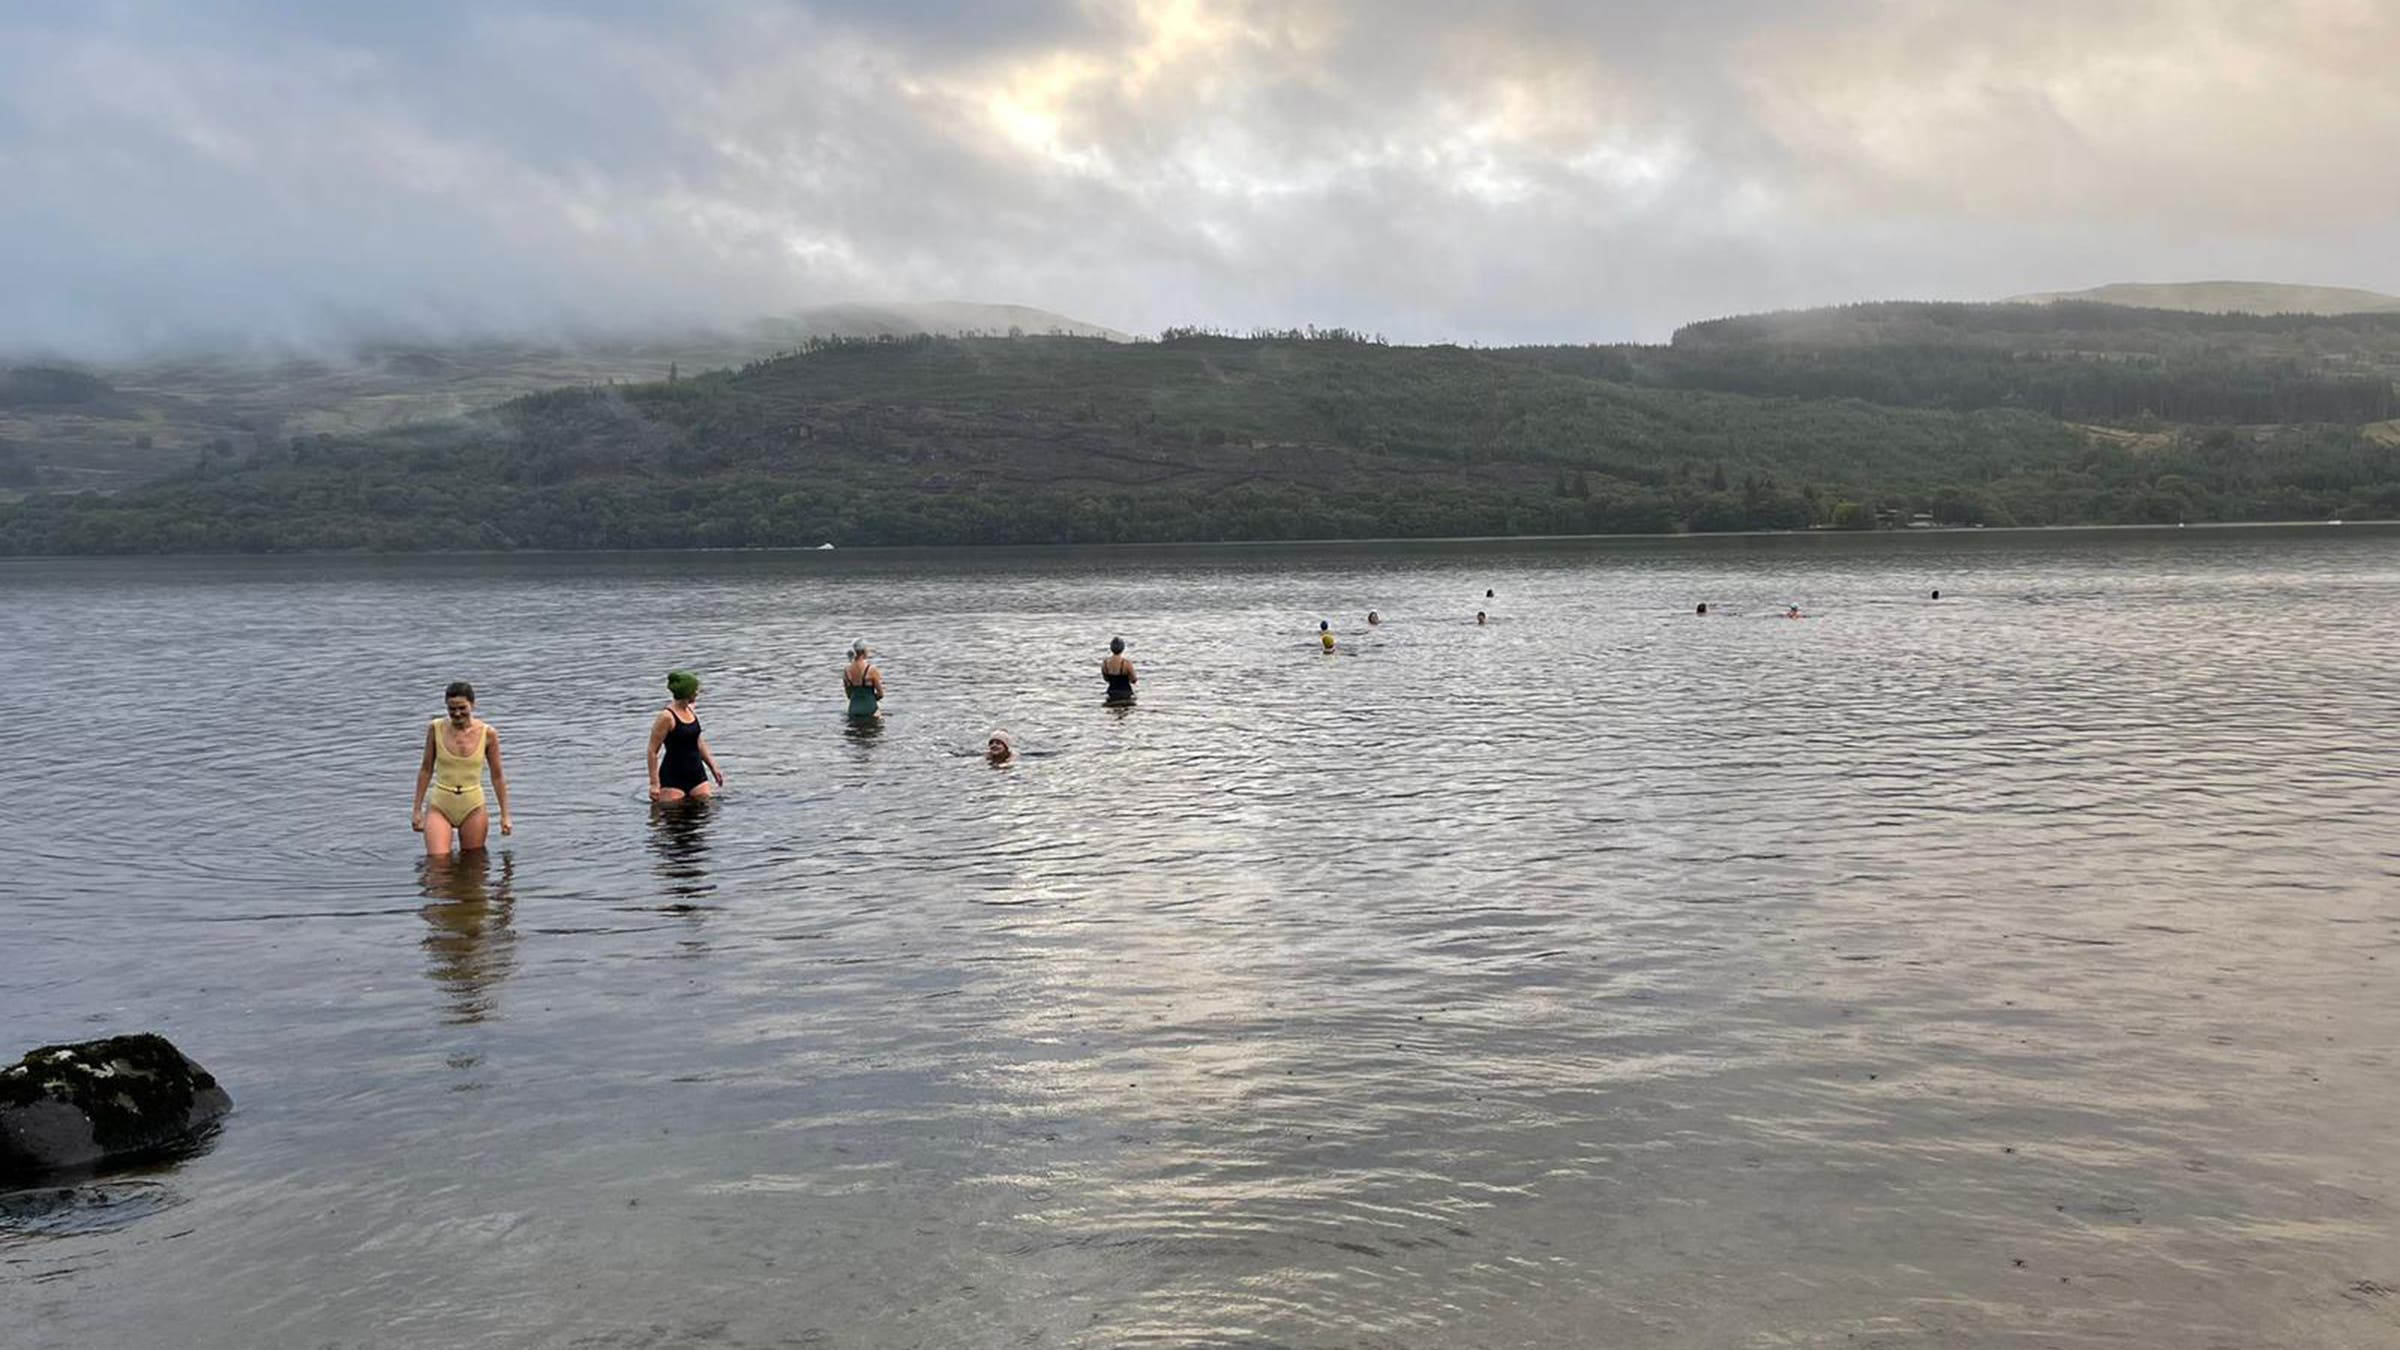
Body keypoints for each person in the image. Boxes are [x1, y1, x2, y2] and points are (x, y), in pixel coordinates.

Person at [413, 681, 511, 856]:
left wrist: (505, 815)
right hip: (441, 803)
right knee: (438, 862)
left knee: (474, 863)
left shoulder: (488, 734)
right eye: (452, 709)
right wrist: (417, 810)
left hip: (472, 803)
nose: (457, 714)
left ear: (472, 704)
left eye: (462, 708)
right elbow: (426, 769)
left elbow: (497, 776)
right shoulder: (435, 728)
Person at [647, 669, 725, 803]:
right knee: (673, 816)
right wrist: (654, 783)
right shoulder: (666, 717)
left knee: (704, 814)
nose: (697, 692)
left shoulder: (690, 710)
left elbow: (698, 741)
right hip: (673, 777)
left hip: (696, 774)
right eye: (695, 689)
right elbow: (652, 751)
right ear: (687, 693)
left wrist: (713, 767)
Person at [844, 641, 884, 717]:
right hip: (870, 710)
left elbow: (849, 695)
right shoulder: (871, 670)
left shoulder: (847, 670)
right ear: (864, 652)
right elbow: (880, 694)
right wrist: (870, 699)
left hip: (853, 710)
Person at [1102, 637, 1137, 703]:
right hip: (1125, 692)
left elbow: (1106, 679)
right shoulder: (1126, 663)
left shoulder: (1105, 663)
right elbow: (1134, 680)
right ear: (1122, 648)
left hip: (1111, 692)